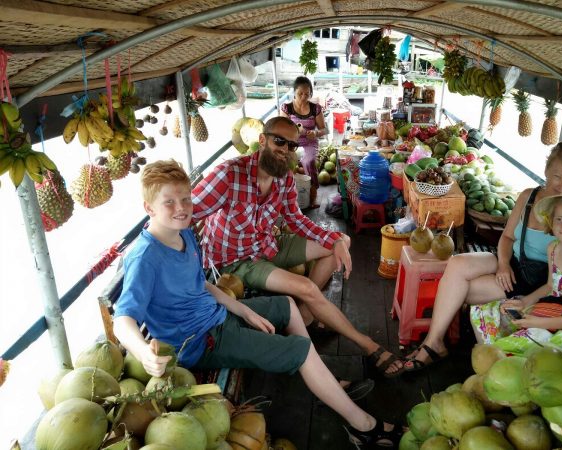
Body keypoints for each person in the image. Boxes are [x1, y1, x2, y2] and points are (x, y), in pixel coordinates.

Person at [113, 160, 401, 448]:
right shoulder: (145, 257)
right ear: (149, 208)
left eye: (186, 198)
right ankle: (363, 428)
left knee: (287, 304)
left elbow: (200, 284)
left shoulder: (184, 234)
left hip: (217, 316)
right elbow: (123, 319)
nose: (182, 208)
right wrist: (143, 352)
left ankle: (322, 380)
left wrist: (244, 310)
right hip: (200, 340)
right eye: (169, 202)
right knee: (299, 349)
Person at [192, 116, 405, 377]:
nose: (284, 150)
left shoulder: (285, 180)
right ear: (262, 140)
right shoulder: (229, 174)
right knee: (306, 286)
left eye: (291, 145)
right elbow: (186, 213)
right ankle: (368, 345)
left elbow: (296, 220)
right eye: (278, 141)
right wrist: (182, 261)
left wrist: (336, 240)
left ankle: (306, 312)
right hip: (237, 262)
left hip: (268, 245)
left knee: (341, 241)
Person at [404, 142, 562, 371]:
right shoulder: (528, 197)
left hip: (536, 283)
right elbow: (506, 238)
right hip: (512, 264)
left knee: (459, 289)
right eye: (558, 176)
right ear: (546, 170)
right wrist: (504, 264)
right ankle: (434, 342)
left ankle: (440, 345)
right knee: (457, 263)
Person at [472, 193, 562, 351]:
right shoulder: (554, 247)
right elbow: (551, 285)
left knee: (516, 343)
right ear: (551, 220)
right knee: (486, 312)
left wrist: (538, 323)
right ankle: (489, 360)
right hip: (552, 306)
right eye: (559, 219)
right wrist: (525, 302)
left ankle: (496, 363)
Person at [279, 76, 328, 209]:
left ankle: (312, 196)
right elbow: (280, 128)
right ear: (294, 92)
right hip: (291, 143)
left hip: (309, 142)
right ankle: (287, 198)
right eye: (300, 93)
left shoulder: (315, 108)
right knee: (285, 164)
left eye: (307, 94)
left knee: (308, 161)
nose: (303, 97)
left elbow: (325, 129)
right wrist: (294, 131)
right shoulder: (286, 108)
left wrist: (316, 133)